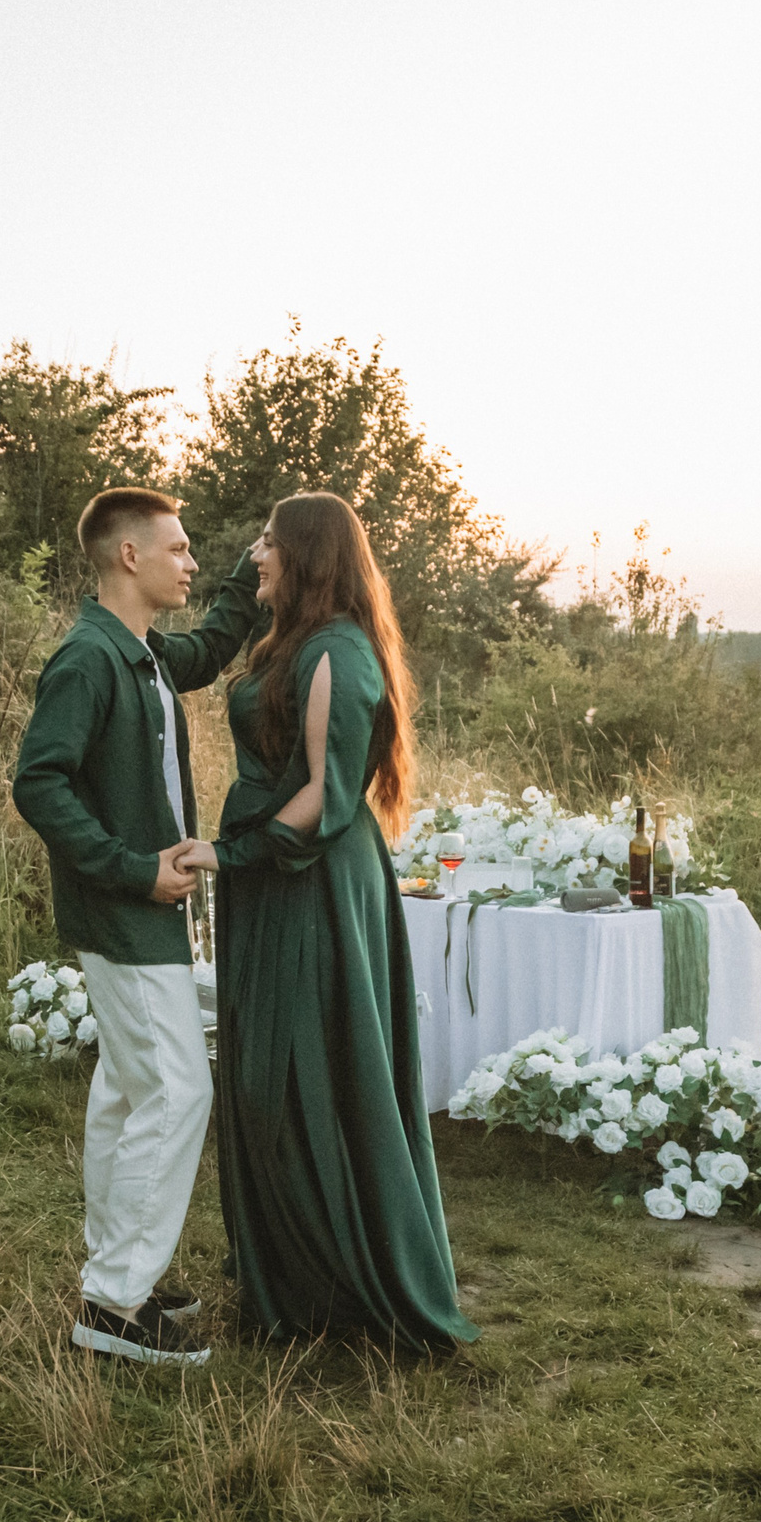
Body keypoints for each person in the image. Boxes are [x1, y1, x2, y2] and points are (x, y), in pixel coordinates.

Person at [176, 492, 477, 1349]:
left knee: (301, 1073)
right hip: (273, 880)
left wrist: (229, 853)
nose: (255, 554)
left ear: (307, 555)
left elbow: (324, 793)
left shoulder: (339, 653)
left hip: (309, 882)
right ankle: (290, 1276)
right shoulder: (295, 641)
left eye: (270, 542)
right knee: (265, 1074)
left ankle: (339, 1285)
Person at [13, 487, 265, 1366]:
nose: (190, 562)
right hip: (125, 910)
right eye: (179, 548)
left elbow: (206, 651)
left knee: (126, 1090)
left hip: (139, 909)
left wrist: (249, 576)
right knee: (177, 1090)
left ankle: (117, 1271)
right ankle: (115, 1307)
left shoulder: (142, 652)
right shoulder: (87, 660)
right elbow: (39, 784)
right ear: (130, 555)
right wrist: (131, 868)